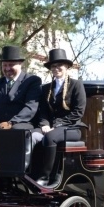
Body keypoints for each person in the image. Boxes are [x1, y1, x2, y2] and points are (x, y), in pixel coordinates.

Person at [33, 48, 86, 186]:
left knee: (50, 137)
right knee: (31, 135)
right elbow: (43, 111)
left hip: (72, 128)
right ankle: (31, 173)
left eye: (59, 65)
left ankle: (46, 177)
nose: (56, 68)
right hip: (50, 127)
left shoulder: (76, 85)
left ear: (67, 67)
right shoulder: (46, 88)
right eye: (53, 66)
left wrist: (56, 125)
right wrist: (44, 124)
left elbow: (78, 112)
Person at [0, 45, 41, 131]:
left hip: (23, 124)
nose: (7, 68)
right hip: (1, 125)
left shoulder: (31, 81)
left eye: (11, 65)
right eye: (4, 65)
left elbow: (30, 108)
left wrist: (11, 123)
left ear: (20, 64)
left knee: (14, 130)